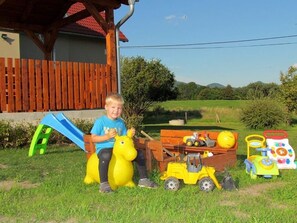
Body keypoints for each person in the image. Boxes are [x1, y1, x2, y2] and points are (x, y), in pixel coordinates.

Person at [90, 93, 158, 193]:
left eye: (119, 108)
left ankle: (143, 179)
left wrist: (130, 133)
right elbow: (93, 138)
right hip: (104, 148)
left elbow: (124, 137)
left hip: (120, 149)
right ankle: (104, 184)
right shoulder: (100, 122)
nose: (116, 110)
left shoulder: (120, 122)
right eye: (113, 107)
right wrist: (107, 136)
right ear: (106, 107)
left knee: (138, 153)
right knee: (106, 155)